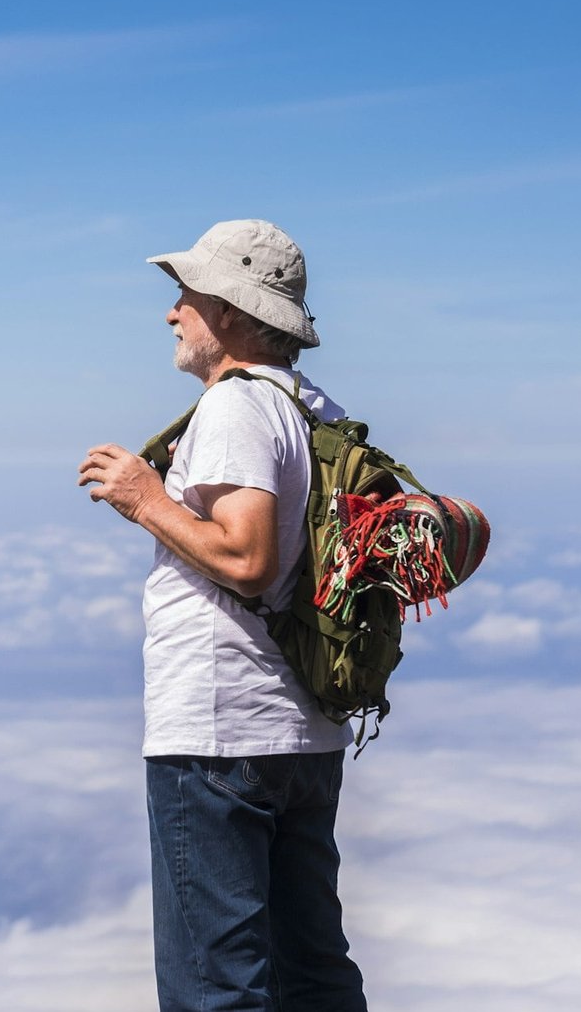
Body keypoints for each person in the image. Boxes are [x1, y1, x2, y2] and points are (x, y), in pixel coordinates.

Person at [77, 220, 368, 1011]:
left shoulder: (238, 407)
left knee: (217, 989)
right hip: (303, 730)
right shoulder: (314, 410)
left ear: (233, 313)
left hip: (219, 731)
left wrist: (144, 497)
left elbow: (246, 559)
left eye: (188, 296)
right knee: (313, 973)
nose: (173, 313)